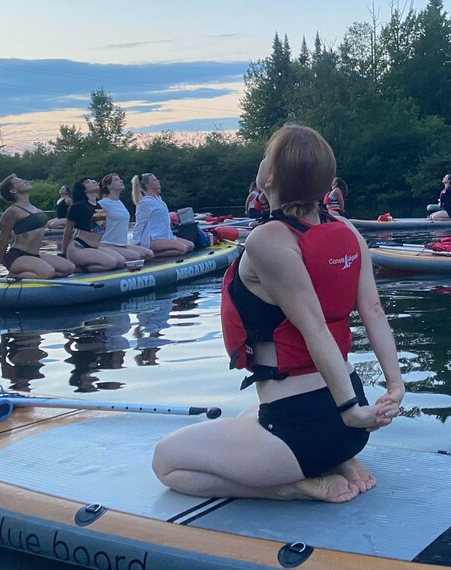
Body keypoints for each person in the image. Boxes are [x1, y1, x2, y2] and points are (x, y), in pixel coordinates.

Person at [152, 124, 404, 503]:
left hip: (307, 427)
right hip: (349, 420)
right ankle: (336, 461)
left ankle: (290, 486)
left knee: (166, 463)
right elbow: (374, 311)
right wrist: (394, 387)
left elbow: (313, 326)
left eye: (266, 155)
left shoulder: (269, 239)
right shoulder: (346, 230)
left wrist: (350, 411)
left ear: (269, 177)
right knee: (245, 416)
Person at [0, 174, 74, 279]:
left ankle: (37, 272)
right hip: (17, 256)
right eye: (19, 181)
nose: (25, 181)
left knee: (69, 268)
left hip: (34, 255)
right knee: (48, 272)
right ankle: (13, 275)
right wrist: (2, 260)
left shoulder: (35, 208)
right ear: (13, 190)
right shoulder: (12, 211)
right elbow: (4, 238)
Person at [61, 178, 126, 273]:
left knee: (120, 261)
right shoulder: (78, 206)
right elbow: (68, 229)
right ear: (84, 190)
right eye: (88, 182)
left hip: (95, 247)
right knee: (110, 263)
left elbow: (99, 229)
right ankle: (77, 269)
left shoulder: (98, 206)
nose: (93, 181)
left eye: (92, 180)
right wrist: (64, 251)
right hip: (79, 247)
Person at [131, 173, 195, 256]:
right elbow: (140, 223)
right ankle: (151, 255)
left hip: (166, 236)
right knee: (181, 249)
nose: (158, 181)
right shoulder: (145, 203)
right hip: (152, 238)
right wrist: (136, 243)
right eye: (154, 180)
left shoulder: (159, 199)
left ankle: (158, 250)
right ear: (147, 185)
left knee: (190, 245)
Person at [99, 173, 153, 261]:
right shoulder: (103, 204)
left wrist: (129, 224)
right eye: (116, 180)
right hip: (108, 244)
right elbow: (98, 225)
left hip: (122, 244)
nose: (121, 181)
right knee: (136, 256)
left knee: (149, 254)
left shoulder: (119, 202)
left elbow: (114, 220)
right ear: (109, 186)